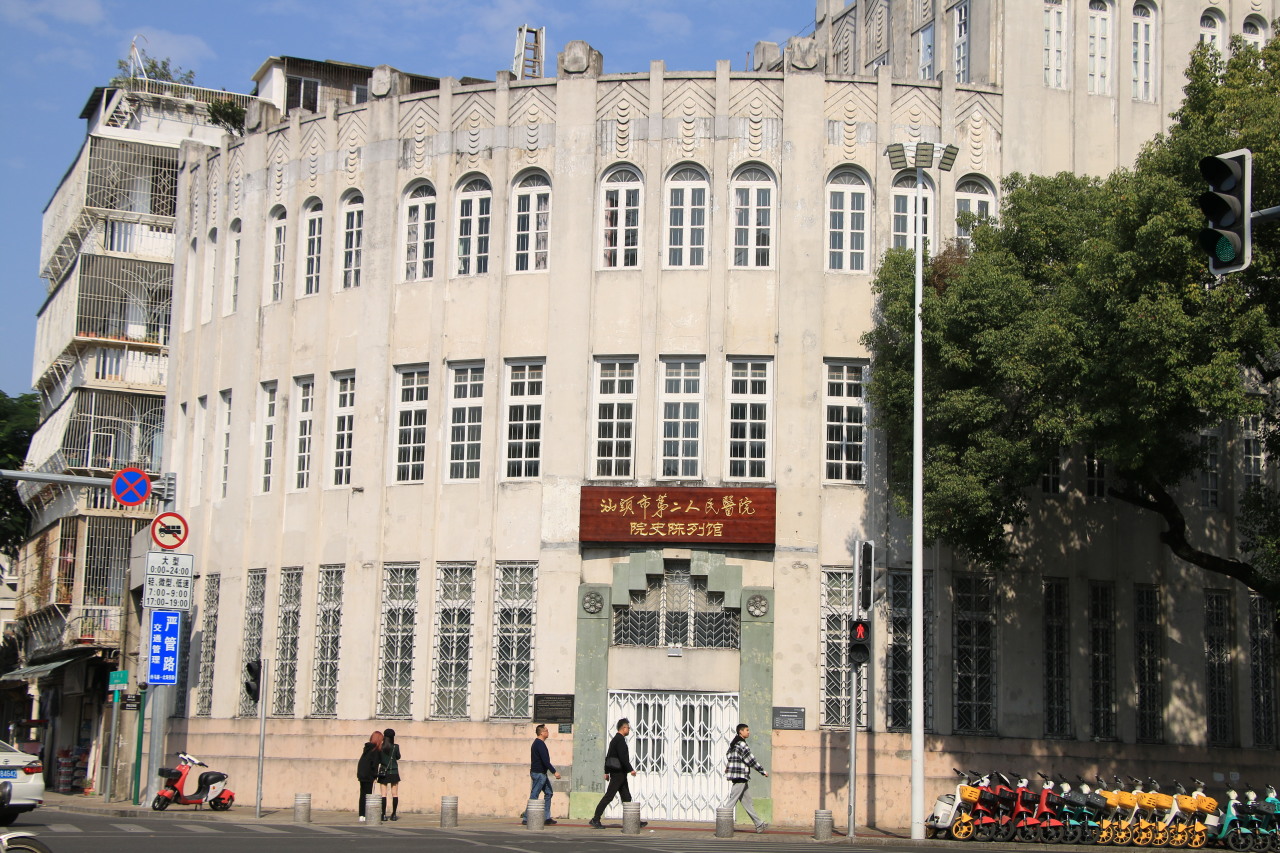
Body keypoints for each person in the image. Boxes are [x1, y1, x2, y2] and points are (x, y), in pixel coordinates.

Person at [590, 718, 645, 829]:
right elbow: (623, 758)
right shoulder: (620, 740)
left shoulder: (615, 740)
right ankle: (595, 819)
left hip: (619, 774)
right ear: (623, 728)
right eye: (628, 728)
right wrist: (631, 769)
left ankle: (634, 821)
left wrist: (606, 772)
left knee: (626, 797)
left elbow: (608, 756)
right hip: (618, 774)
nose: (629, 730)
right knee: (609, 796)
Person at [722, 723, 769, 833]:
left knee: (748, 803)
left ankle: (759, 824)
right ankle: (722, 824)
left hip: (738, 776)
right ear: (741, 732)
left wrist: (731, 766)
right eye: (747, 730)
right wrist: (762, 771)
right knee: (731, 802)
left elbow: (728, 756)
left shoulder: (734, 744)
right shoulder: (742, 744)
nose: (748, 732)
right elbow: (751, 760)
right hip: (741, 776)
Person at [522, 724, 561, 825]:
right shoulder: (539, 744)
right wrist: (554, 772)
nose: (548, 732)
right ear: (541, 733)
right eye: (546, 731)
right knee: (534, 794)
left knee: (549, 793)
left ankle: (546, 817)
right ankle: (526, 818)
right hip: (539, 774)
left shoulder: (539, 744)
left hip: (541, 773)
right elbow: (545, 761)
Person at [356, 731, 383, 822]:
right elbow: (374, 764)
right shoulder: (375, 750)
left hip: (362, 773)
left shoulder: (367, 748)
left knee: (362, 794)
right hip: (368, 775)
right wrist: (376, 775)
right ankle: (366, 814)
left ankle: (361, 814)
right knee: (368, 794)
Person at [378, 728, 402, 821]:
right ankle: (394, 814)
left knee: (383, 794)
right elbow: (398, 757)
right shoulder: (396, 747)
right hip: (394, 772)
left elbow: (379, 759)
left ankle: (383, 814)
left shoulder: (381, 747)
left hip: (383, 771)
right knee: (394, 794)